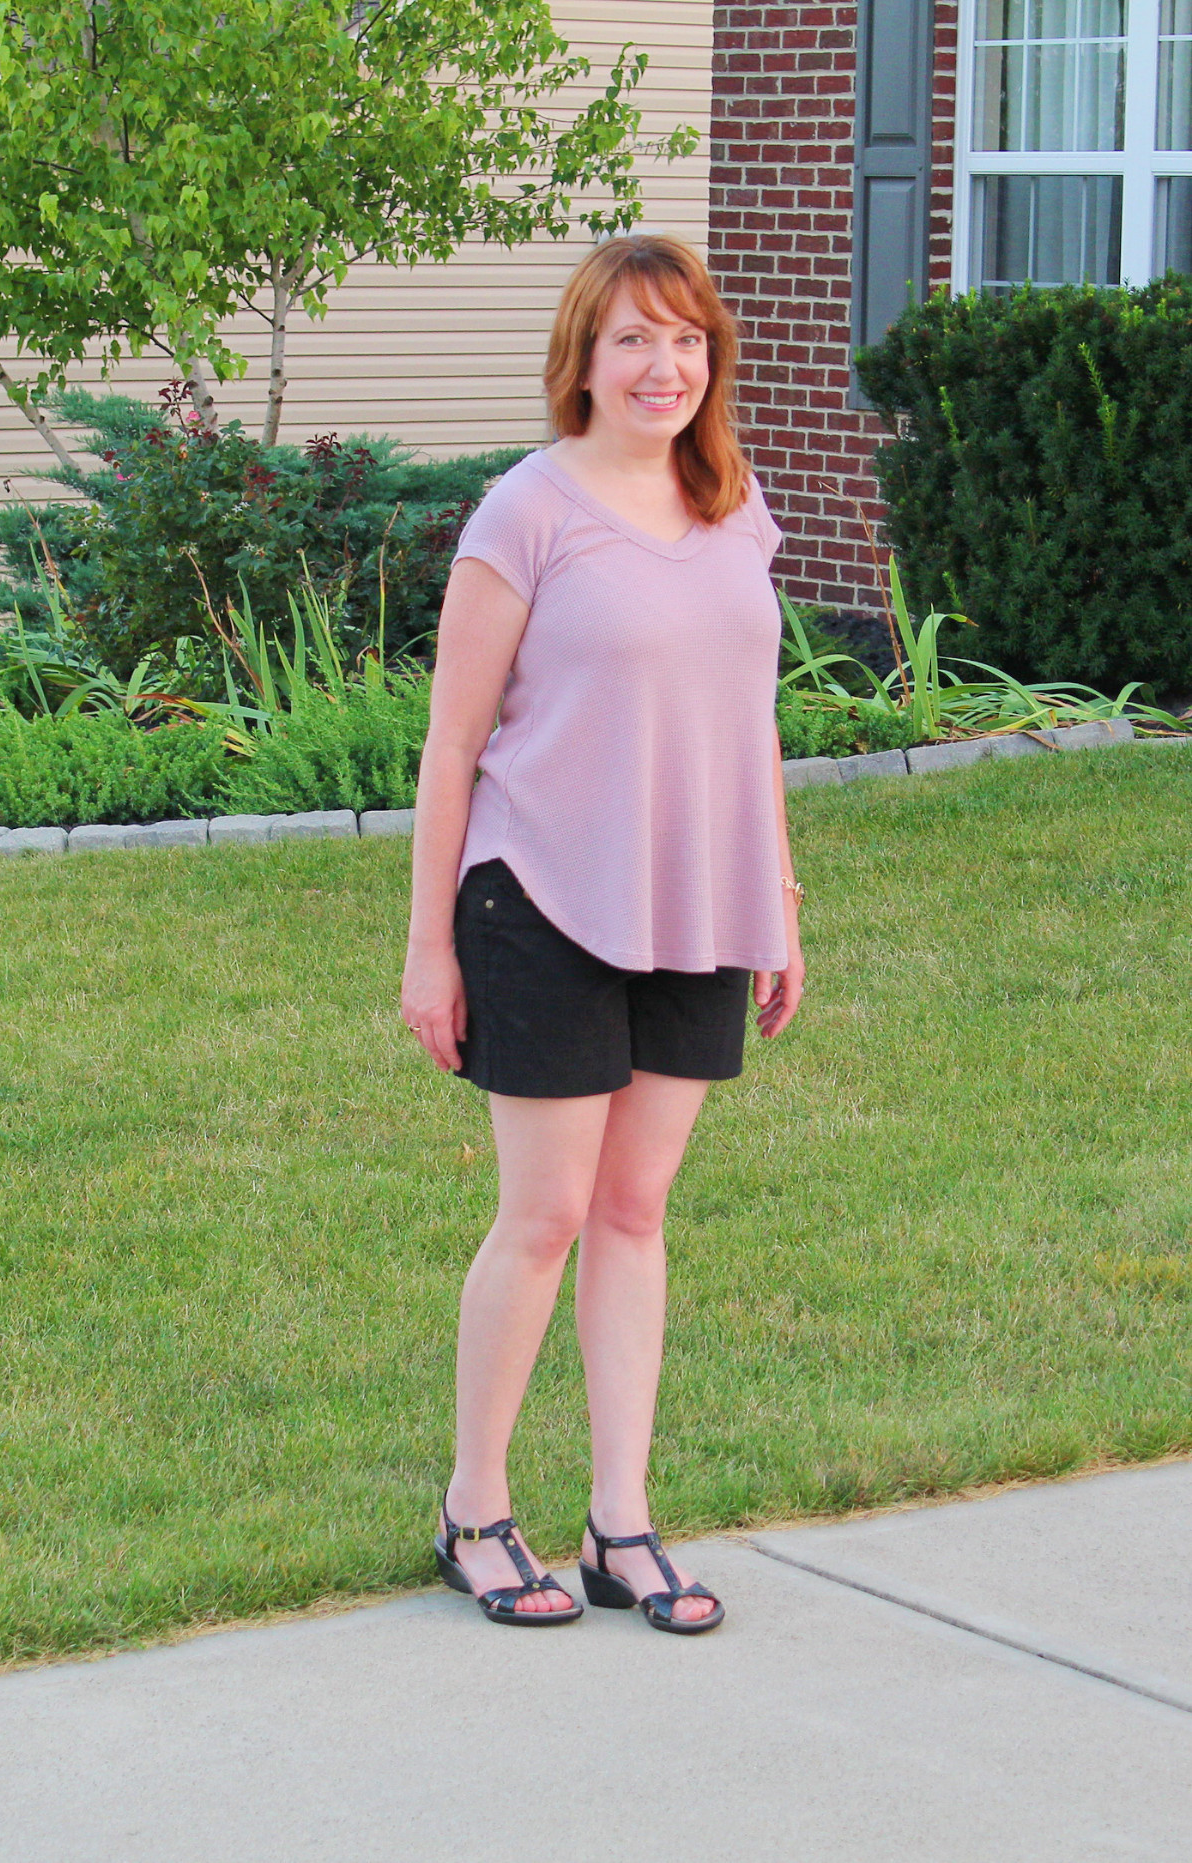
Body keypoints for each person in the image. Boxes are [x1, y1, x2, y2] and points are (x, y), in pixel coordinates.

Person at [400, 232, 805, 1635]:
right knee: (547, 1215)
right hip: (541, 899)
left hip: (695, 906)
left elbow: (743, 719)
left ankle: (620, 1522)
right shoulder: (527, 512)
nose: (663, 365)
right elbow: (451, 746)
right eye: (633, 338)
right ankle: (473, 1510)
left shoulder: (732, 504)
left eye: (685, 338)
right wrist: (429, 947)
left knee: (636, 1212)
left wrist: (778, 895)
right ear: (583, 358)